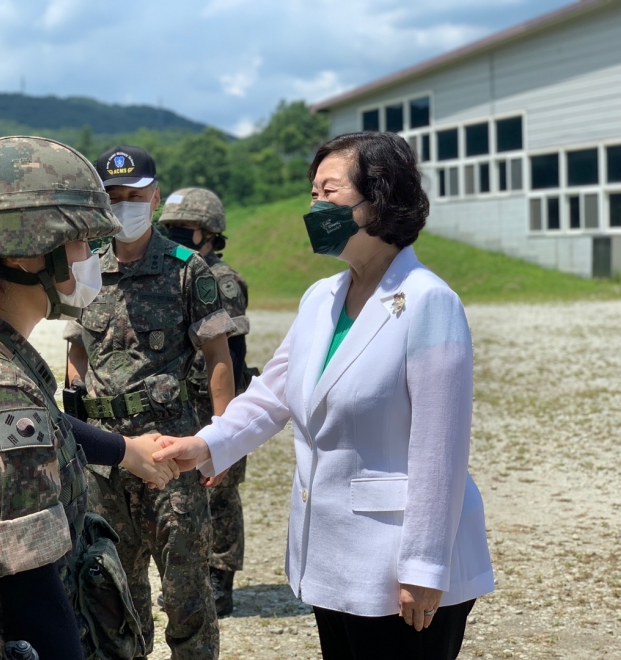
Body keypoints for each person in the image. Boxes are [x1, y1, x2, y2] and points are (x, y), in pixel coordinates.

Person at [154, 132, 495, 660]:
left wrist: (425, 567)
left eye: (328, 193)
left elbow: (440, 451)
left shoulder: (430, 302)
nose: (314, 208)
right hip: (333, 557)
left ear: (377, 202)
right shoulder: (322, 298)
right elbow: (273, 393)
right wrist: (209, 444)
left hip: (400, 567)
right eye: (311, 194)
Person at [0, 136, 179, 660]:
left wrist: (124, 449)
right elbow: (33, 593)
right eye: (83, 241)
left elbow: (38, 432)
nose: (94, 257)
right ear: (26, 253)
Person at [64, 146, 237, 659]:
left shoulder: (189, 270)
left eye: (134, 196)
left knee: (186, 592)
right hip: (107, 457)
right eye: (113, 197)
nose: (123, 206)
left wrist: (222, 440)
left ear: (155, 198)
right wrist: (75, 438)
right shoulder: (86, 270)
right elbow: (76, 355)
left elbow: (218, 357)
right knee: (114, 588)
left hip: (170, 453)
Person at [158, 187, 252, 617]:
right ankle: (188, 575)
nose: (176, 234)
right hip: (181, 396)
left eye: (187, 229)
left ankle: (220, 577)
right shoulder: (169, 270)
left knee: (222, 489)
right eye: (172, 228)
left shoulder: (222, 279)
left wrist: (228, 416)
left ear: (210, 233)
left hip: (217, 395)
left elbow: (229, 352)